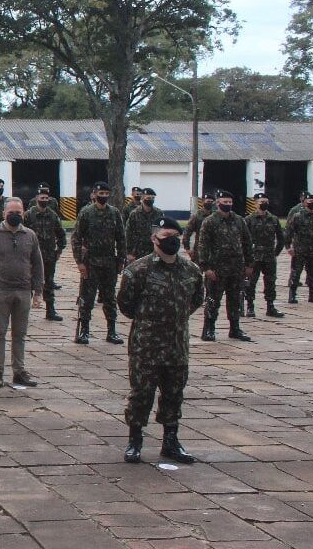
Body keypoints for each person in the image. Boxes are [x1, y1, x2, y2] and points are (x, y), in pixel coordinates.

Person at [119, 217, 202, 465]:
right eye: (166, 237)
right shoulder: (139, 271)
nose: (171, 242)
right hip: (147, 345)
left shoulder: (191, 270)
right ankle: (135, 441)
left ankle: (171, 441)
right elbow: (125, 304)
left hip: (177, 345)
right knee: (141, 393)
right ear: (154, 239)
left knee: (173, 393)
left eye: (175, 237)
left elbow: (196, 299)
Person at [0, 199, 44, 388]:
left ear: (24, 213)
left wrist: (38, 291)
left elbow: (38, 264)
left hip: (23, 291)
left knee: (20, 334)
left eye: (19, 211)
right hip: (0, 291)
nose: (15, 214)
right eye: (11, 211)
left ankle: (19, 371)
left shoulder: (30, 235)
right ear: (4, 213)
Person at [71, 182, 126, 345]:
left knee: (110, 298)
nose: (103, 196)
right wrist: (79, 261)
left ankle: (112, 331)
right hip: (91, 262)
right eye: (100, 193)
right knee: (87, 298)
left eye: (106, 193)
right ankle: (84, 331)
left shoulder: (114, 213)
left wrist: (121, 259)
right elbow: (76, 238)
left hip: (109, 261)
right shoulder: (86, 213)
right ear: (94, 194)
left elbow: (121, 238)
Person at [197, 190, 253, 342]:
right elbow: (202, 246)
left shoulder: (239, 220)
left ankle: (235, 328)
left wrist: (249, 264)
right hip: (217, 269)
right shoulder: (210, 221)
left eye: (230, 202)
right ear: (217, 203)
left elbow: (247, 243)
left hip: (236, 268)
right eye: (224, 202)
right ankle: (209, 329)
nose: (227, 205)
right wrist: (206, 267)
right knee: (213, 300)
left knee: (235, 299)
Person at [26, 186, 67, 320]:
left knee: (49, 283)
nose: (44, 200)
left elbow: (61, 234)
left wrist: (59, 250)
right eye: (42, 198)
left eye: (46, 198)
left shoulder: (52, 215)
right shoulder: (29, 215)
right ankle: (23, 311)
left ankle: (50, 310)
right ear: (37, 199)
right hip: (31, 256)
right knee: (28, 283)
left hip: (49, 256)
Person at [244, 192, 286, 318]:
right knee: (251, 282)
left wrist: (276, 253)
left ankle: (270, 306)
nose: (264, 204)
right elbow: (243, 239)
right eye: (261, 201)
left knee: (271, 281)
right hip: (254, 256)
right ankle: (250, 306)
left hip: (269, 256)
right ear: (255, 203)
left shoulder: (273, 219)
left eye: (266, 201)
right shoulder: (249, 220)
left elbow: (280, 238)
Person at [286, 192, 313, 304]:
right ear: (305, 203)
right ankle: (292, 295)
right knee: (296, 273)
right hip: (299, 250)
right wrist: (288, 246)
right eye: (309, 202)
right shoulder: (297, 216)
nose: (312, 203)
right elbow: (289, 231)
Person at [125, 188, 162, 261]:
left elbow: (162, 232)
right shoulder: (134, 214)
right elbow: (128, 233)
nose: (151, 200)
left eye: (153, 198)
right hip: (138, 251)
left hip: (154, 250)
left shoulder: (159, 213)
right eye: (148, 198)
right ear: (142, 198)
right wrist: (128, 253)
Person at [182, 193, 216, 259]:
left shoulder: (215, 215)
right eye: (208, 201)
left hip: (214, 250)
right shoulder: (197, 216)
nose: (210, 203)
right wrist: (187, 249)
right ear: (203, 201)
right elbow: (187, 232)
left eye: (212, 202)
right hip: (200, 249)